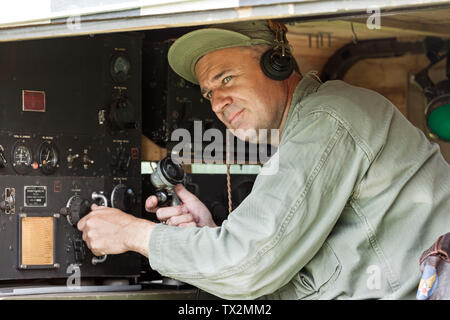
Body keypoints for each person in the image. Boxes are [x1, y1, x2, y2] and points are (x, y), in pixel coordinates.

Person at [77, 20, 450, 299]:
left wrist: (131, 233)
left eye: (226, 79)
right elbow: (272, 265)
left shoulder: (330, 118)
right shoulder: (313, 124)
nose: (217, 103)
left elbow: (245, 266)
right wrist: (211, 237)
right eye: (208, 92)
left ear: (278, 63)